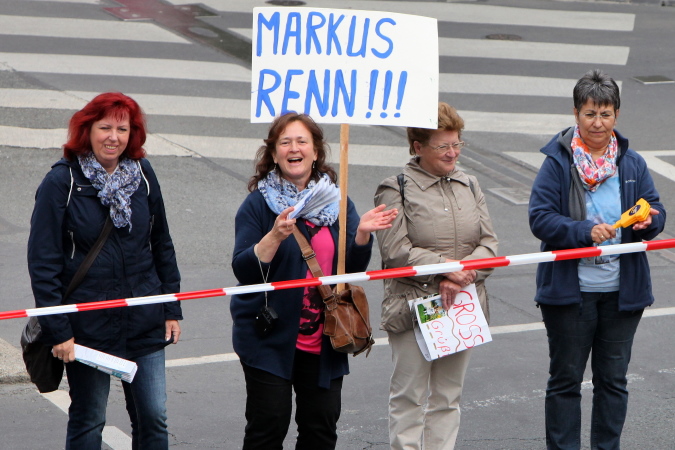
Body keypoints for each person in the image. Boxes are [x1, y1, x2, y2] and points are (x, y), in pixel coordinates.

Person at [230, 112, 397, 450]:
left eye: (302, 141)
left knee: (320, 431)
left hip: (326, 337)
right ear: (274, 153)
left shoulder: (338, 202)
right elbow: (244, 271)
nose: (294, 148)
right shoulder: (258, 204)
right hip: (269, 338)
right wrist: (274, 236)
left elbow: (350, 270)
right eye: (285, 142)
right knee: (267, 429)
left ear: (316, 151)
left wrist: (362, 234)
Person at [27, 92, 182, 450]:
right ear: (88, 130)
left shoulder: (143, 174)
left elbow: (162, 243)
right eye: (105, 127)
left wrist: (171, 307)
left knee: (153, 417)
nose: (114, 137)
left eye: (122, 129)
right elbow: (43, 262)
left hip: (143, 318)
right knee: (89, 419)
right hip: (88, 326)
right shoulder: (61, 182)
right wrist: (59, 331)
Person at [528, 69, 666, 450]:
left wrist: (649, 222)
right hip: (571, 295)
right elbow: (539, 218)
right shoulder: (558, 162)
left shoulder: (631, 162)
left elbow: (655, 209)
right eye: (590, 114)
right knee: (565, 381)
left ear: (616, 115)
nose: (598, 123)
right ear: (576, 114)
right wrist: (584, 231)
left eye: (605, 114)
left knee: (613, 381)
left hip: (622, 294)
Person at [374, 102, 498, 449]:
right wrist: (446, 268)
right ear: (418, 147)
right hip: (414, 306)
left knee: (447, 397)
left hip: (461, 303)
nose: (452, 153)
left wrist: (462, 274)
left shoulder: (469, 184)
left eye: (457, 144)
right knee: (409, 398)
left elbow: (489, 245)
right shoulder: (396, 188)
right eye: (443, 146)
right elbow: (395, 252)